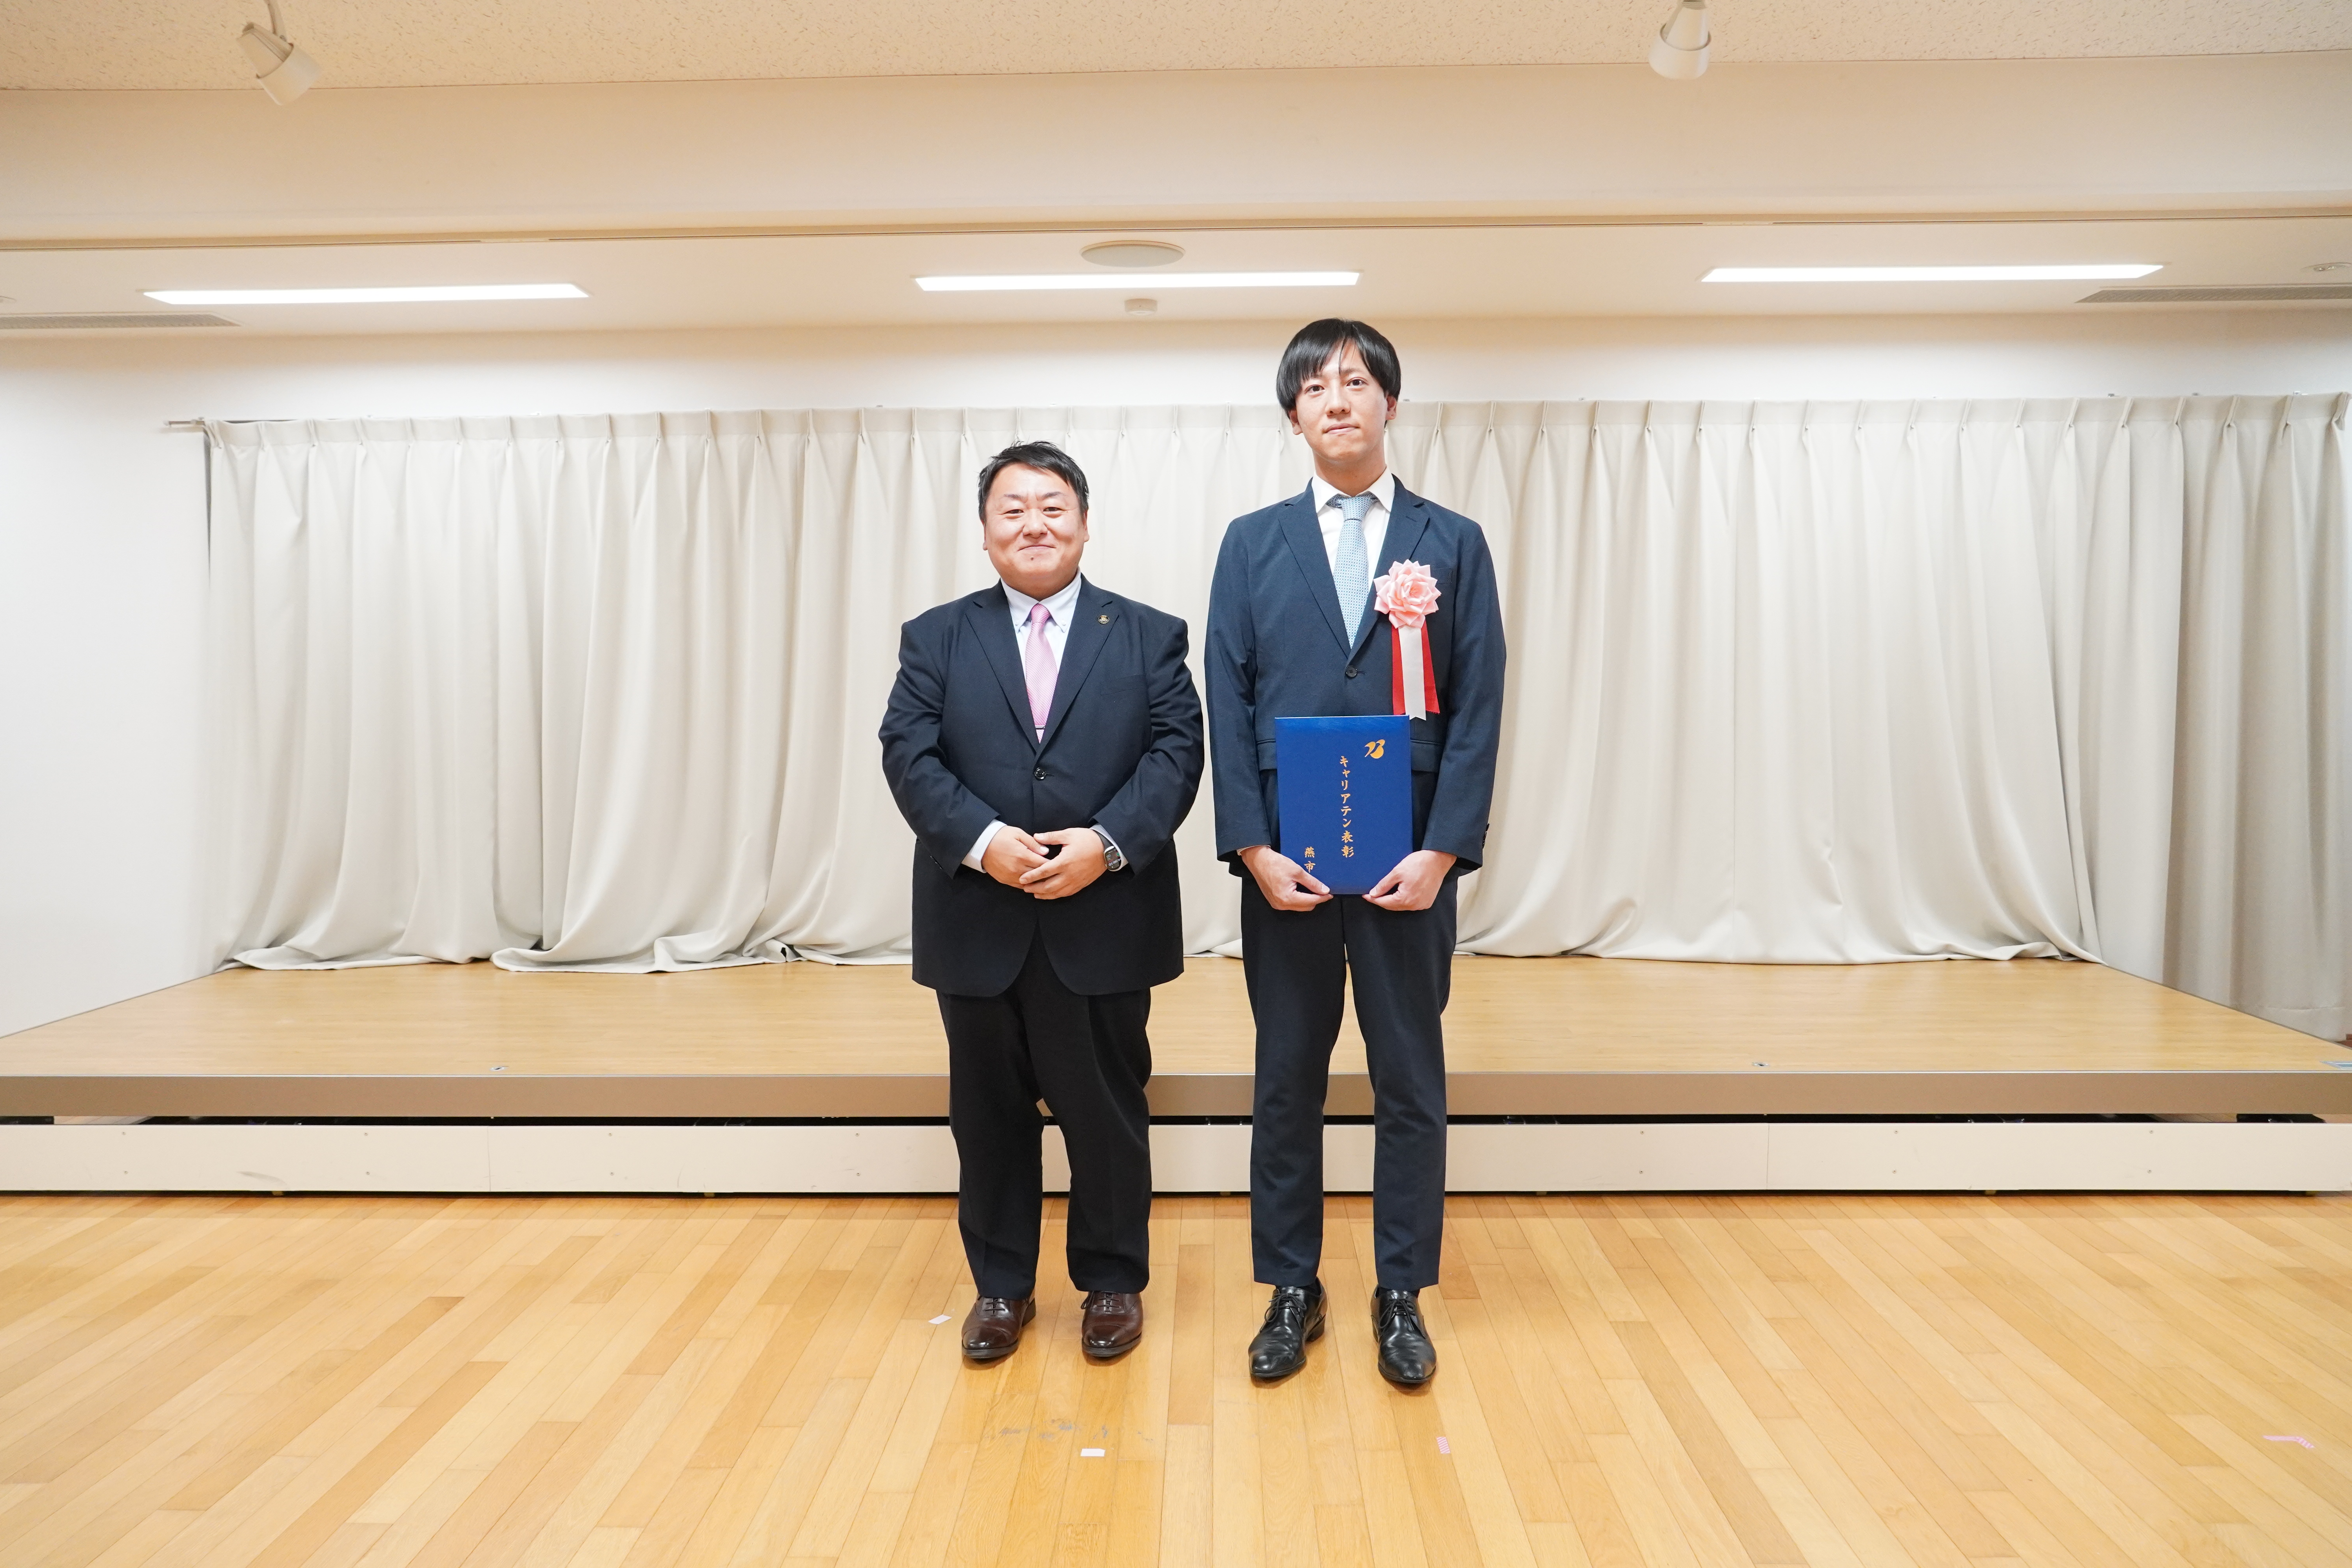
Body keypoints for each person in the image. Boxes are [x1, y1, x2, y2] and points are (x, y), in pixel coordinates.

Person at [1205, 321, 1506, 1387]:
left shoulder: (1451, 541)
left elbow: (1478, 707)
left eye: (1358, 381)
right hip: (1285, 864)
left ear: (1392, 404)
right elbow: (1227, 697)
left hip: (1405, 866)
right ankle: (1292, 1285)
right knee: (1285, 1078)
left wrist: (1443, 852)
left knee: (1409, 1078)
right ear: (1293, 415)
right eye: (1317, 387)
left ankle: (1400, 1289)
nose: (1339, 399)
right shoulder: (1251, 543)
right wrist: (1250, 846)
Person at [880, 440, 1204, 1365]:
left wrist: (1107, 844)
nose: (1035, 524)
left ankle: (1112, 1282)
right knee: (987, 1116)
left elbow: (1176, 753)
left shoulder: (1149, 634)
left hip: (1104, 918)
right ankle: (1001, 1287)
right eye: (1013, 509)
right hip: (977, 921)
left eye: (1053, 506)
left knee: (1106, 1111)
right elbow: (909, 752)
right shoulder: (935, 636)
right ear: (985, 532)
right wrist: (983, 840)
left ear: (1085, 523)